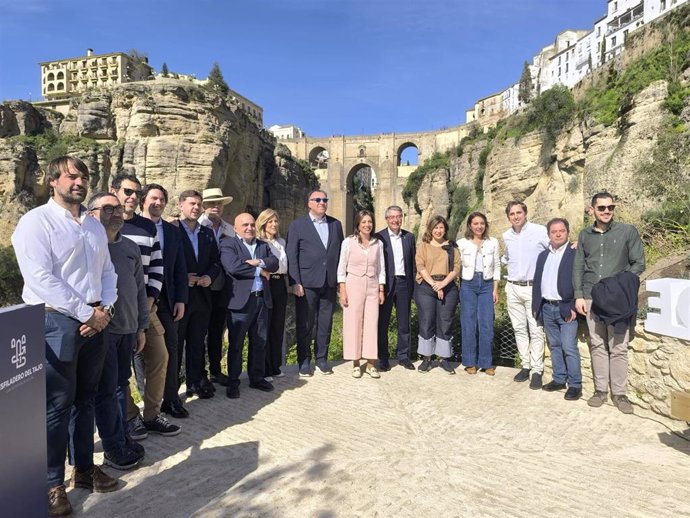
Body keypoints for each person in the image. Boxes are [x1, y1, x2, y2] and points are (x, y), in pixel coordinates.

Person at [12, 156, 119, 516]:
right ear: (52, 180)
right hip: (56, 321)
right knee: (56, 407)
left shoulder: (91, 226)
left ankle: (85, 470)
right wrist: (87, 312)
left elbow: (108, 272)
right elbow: (40, 278)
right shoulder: (35, 222)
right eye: (71, 175)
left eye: (84, 176)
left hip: (95, 320)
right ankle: (52, 484)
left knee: (85, 400)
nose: (79, 181)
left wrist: (103, 310)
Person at [88, 192, 149, 471]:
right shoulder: (88, 245)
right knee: (106, 391)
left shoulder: (130, 248)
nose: (116, 212)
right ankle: (113, 447)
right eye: (108, 208)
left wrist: (141, 327)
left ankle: (122, 437)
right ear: (92, 213)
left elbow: (139, 290)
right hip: (102, 331)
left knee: (122, 386)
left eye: (118, 208)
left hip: (127, 328)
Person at [574, 192, 645, 413]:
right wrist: (578, 296)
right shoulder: (584, 235)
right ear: (592, 210)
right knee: (597, 344)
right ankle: (600, 391)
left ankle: (620, 394)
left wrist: (619, 284)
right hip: (591, 296)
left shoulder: (627, 231)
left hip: (617, 299)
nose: (607, 211)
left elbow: (638, 263)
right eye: (602, 208)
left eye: (610, 207)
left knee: (619, 346)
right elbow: (578, 266)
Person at [140, 184, 189, 419]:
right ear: (143, 201)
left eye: (162, 199)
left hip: (167, 301)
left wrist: (181, 298)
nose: (158, 203)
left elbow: (180, 267)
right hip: (138, 301)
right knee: (140, 352)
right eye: (153, 198)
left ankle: (171, 398)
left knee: (171, 348)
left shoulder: (172, 231)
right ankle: (148, 400)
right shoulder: (131, 226)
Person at [220, 213, 280, 398]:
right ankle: (233, 381)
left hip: (261, 299)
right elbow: (233, 267)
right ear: (235, 227)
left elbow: (275, 263)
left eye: (252, 225)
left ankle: (256, 377)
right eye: (245, 225)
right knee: (236, 344)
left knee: (259, 342)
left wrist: (260, 262)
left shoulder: (263, 245)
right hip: (240, 303)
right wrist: (260, 270)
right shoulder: (229, 244)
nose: (249, 228)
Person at [286, 189, 344, 376]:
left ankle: (322, 359)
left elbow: (341, 255)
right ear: (309, 203)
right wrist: (295, 282)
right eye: (317, 199)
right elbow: (291, 255)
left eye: (325, 199)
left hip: (329, 282)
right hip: (307, 283)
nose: (322, 202)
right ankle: (304, 360)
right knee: (305, 323)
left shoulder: (336, 225)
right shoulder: (297, 225)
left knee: (325, 323)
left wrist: (341, 282)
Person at [176, 190, 222, 399]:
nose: (195, 207)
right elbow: (166, 263)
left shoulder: (206, 232)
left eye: (198, 204)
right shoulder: (171, 229)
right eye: (191, 203)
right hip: (179, 298)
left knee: (196, 343)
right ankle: (172, 391)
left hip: (203, 297)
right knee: (176, 345)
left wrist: (210, 278)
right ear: (180, 206)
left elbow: (215, 262)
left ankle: (195, 383)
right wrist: (182, 277)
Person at [532, 218, 582, 401]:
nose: (558, 234)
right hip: (547, 307)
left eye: (562, 231)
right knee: (554, 346)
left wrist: (575, 304)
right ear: (549, 235)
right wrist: (536, 306)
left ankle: (575, 385)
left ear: (568, 232)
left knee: (569, 347)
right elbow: (538, 282)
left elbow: (580, 281)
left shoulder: (575, 252)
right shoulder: (543, 255)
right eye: (554, 232)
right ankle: (559, 379)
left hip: (566, 307)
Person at [501, 201, 550, 389]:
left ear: (525, 213)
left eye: (518, 212)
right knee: (519, 329)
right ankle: (526, 365)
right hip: (512, 287)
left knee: (536, 329)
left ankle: (537, 370)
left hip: (533, 288)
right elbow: (507, 258)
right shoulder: (507, 236)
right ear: (508, 217)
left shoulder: (539, 231)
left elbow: (554, 248)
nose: (516, 216)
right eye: (512, 214)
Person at [337, 210, 386, 378]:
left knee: (372, 323)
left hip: (372, 285)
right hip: (353, 284)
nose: (367, 225)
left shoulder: (377, 244)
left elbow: (381, 269)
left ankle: (371, 363)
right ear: (358, 224)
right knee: (353, 322)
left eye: (370, 222)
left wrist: (381, 289)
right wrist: (342, 289)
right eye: (364, 222)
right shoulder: (348, 242)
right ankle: (356, 362)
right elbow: (341, 268)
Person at [198, 187, 235, 386]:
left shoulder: (229, 229)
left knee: (216, 332)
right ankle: (198, 374)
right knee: (197, 333)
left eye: (219, 203)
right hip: (200, 288)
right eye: (212, 203)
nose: (216, 207)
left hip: (221, 288)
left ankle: (215, 370)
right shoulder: (196, 225)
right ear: (204, 206)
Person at [414, 215, 460, 374]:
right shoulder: (423, 246)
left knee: (445, 321)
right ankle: (427, 358)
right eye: (435, 227)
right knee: (426, 320)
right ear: (430, 229)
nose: (438, 230)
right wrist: (435, 285)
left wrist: (442, 284)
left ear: (445, 229)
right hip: (426, 286)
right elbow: (420, 265)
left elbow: (456, 268)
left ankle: (444, 358)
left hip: (447, 286)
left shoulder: (452, 247)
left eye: (441, 227)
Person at [457, 212, 500, 376]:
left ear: (485, 225)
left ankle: (486, 362)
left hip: (487, 284)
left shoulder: (493, 242)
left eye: (481, 223)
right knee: (468, 323)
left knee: (487, 323)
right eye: (475, 223)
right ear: (470, 225)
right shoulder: (462, 243)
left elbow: (497, 266)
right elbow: (456, 267)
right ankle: (469, 362)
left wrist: (495, 289)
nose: (479, 226)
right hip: (468, 284)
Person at [375, 205, 417, 371]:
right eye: (392, 217)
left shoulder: (409, 237)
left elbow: (413, 264)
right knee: (382, 323)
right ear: (387, 219)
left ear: (402, 218)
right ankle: (383, 358)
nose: (395, 220)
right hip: (385, 285)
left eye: (398, 216)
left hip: (404, 284)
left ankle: (403, 356)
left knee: (404, 323)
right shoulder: (379, 237)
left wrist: (413, 287)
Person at [256, 208, 289, 380]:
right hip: (266, 283)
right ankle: (265, 367)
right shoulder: (259, 242)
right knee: (265, 326)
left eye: (276, 221)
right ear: (263, 223)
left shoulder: (281, 242)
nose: (274, 224)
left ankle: (275, 366)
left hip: (280, 284)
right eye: (270, 221)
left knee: (277, 326)